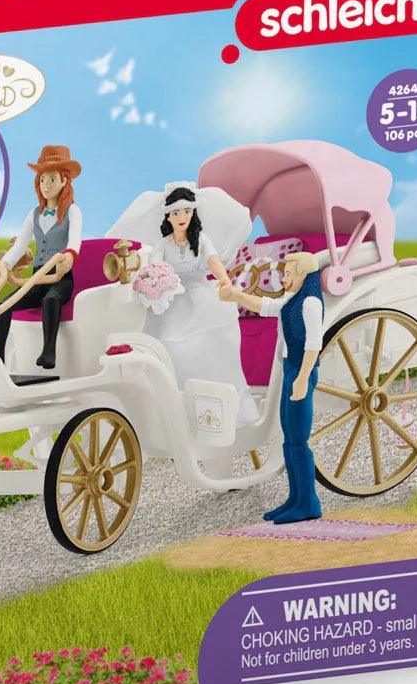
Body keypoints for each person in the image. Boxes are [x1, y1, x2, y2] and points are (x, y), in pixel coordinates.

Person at [130, 184, 258, 425]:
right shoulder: (163, 245)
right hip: (172, 299)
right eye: (176, 213)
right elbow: (154, 267)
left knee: (214, 342)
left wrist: (224, 280)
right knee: (172, 346)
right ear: (168, 216)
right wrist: (155, 283)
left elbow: (213, 261)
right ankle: (176, 409)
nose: (182, 217)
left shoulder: (201, 240)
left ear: (193, 213)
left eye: (187, 211)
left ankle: (220, 405)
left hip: (201, 295)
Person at [221, 252, 324, 522]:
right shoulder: (292, 299)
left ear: (303, 274)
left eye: (289, 274)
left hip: (301, 370)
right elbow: (266, 306)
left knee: (298, 438)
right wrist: (237, 295)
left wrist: (302, 378)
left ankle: (309, 502)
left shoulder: (311, 303)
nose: (284, 279)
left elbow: (314, 343)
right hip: (291, 367)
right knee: (289, 437)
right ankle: (296, 498)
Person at [0, 145, 82, 370]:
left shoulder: (72, 211)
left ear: (64, 181)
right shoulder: (34, 214)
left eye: (52, 179)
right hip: (36, 278)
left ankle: (49, 351)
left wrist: (69, 257)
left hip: (60, 278)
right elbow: (19, 246)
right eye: (42, 180)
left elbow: (74, 242)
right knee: (2, 305)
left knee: (51, 299)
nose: (46, 185)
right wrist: (4, 265)